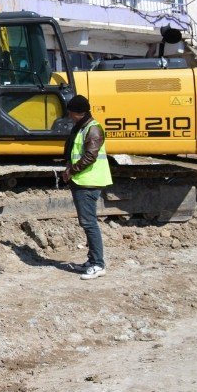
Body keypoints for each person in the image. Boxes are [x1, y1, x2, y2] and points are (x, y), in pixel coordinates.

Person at [61, 95, 112, 280]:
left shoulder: (92, 129)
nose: (69, 115)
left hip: (88, 181)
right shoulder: (83, 127)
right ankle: (92, 261)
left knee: (89, 223)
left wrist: (71, 171)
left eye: (70, 112)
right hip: (82, 180)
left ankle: (98, 264)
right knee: (87, 222)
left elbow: (90, 157)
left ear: (76, 112)